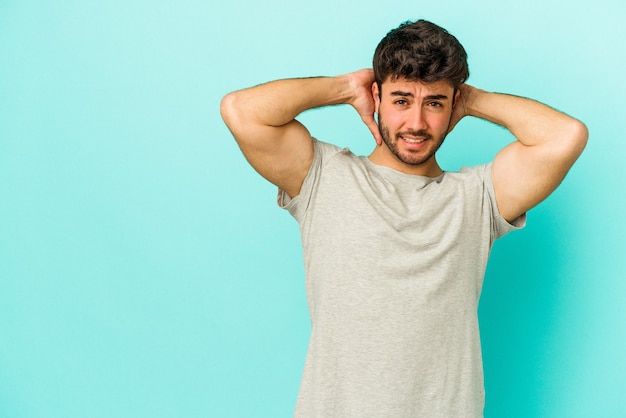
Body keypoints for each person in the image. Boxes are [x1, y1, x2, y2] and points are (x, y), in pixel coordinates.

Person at [220, 19, 587, 418]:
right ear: (375, 97)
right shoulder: (324, 177)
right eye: (400, 100)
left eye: (434, 103)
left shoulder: (477, 197)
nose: (416, 122)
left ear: (452, 106)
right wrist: (345, 88)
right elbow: (240, 110)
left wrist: (471, 99)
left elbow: (565, 135)